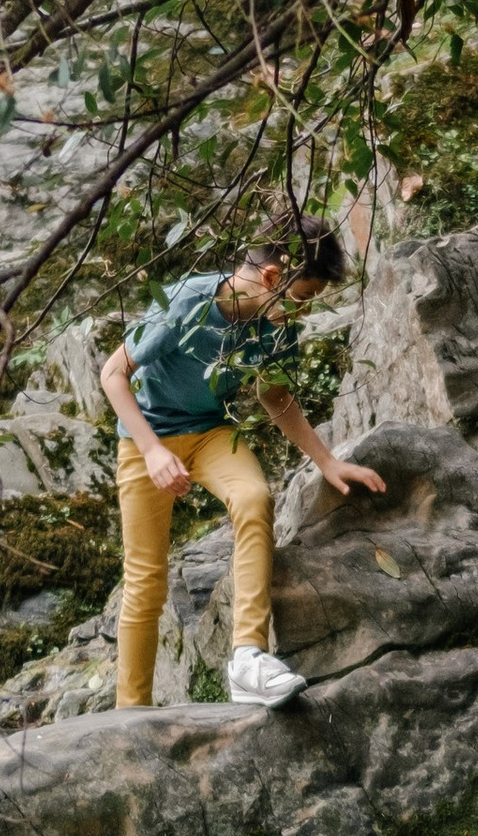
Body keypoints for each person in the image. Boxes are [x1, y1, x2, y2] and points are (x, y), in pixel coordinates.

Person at [99, 221, 387, 711]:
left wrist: (328, 462)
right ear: (272, 278)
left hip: (210, 433)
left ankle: (248, 658)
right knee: (146, 581)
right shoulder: (187, 301)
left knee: (254, 498)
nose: (304, 309)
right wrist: (151, 451)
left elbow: (275, 395)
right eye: (304, 295)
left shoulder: (276, 324)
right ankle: (131, 712)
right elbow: (113, 373)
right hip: (146, 437)